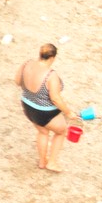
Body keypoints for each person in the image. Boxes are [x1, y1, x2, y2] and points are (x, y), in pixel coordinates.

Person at [18, 43, 69, 171]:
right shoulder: (51, 75)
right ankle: (52, 162)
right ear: (52, 58)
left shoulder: (27, 64)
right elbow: (55, 99)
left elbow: (17, 81)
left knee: (43, 131)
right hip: (44, 111)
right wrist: (68, 113)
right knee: (61, 131)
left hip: (27, 106)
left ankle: (42, 162)